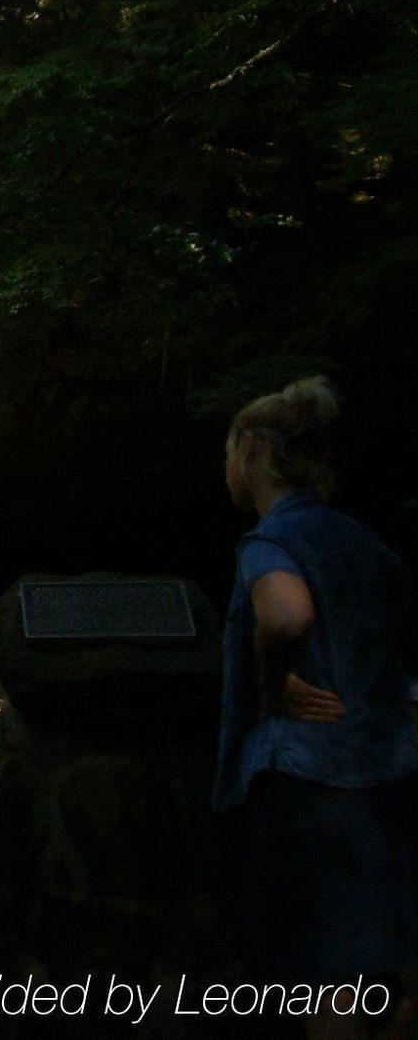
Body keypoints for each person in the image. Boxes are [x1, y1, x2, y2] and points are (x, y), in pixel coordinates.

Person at [215, 376, 418, 1038]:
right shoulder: (365, 542)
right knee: (388, 974)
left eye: (227, 450)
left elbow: (285, 615)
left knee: (319, 980)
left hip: (308, 782)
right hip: (387, 772)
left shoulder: (271, 540)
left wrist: (273, 685)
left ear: (250, 452)